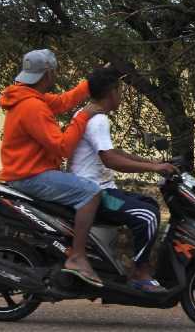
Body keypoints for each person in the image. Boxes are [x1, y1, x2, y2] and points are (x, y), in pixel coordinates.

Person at [0, 49, 105, 287]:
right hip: (32, 176)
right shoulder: (32, 107)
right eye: (54, 72)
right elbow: (62, 147)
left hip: (23, 172)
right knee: (91, 193)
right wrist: (84, 116)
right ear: (48, 74)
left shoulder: (27, 97)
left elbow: (63, 101)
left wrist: (94, 81)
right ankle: (77, 257)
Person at [70, 67, 177, 293]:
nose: (121, 95)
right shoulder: (98, 120)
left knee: (150, 204)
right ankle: (140, 274)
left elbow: (113, 152)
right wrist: (153, 168)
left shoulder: (86, 114)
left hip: (98, 189)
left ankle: (126, 263)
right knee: (148, 216)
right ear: (112, 92)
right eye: (120, 91)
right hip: (96, 194)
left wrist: (153, 162)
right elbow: (110, 160)